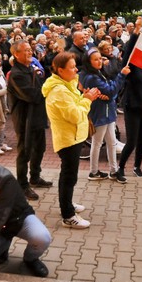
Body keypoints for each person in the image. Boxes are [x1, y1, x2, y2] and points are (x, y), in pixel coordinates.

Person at [42, 52, 100, 228]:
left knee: (69, 176)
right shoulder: (59, 91)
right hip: (68, 140)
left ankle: (67, 204)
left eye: (76, 66)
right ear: (60, 70)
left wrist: (84, 97)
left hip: (74, 137)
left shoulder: (67, 84)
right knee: (68, 176)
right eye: (72, 67)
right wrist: (87, 100)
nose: (76, 70)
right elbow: (74, 115)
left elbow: (75, 106)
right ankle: (68, 215)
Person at [8, 41, 52, 200]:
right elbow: (33, 95)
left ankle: (35, 177)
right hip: (24, 119)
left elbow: (40, 88)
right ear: (16, 54)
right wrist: (48, 88)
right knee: (24, 152)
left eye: (29, 50)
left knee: (39, 148)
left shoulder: (30, 69)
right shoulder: (16, 74)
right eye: (25, 50)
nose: (29, 52)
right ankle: (22, 184)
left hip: (38, 116)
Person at [80, 45, 130, 183]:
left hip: (107, 112)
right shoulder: (92, 77)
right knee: (97, 143)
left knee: (111, 143)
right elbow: (112, 90)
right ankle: (94, 171)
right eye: (95, 60)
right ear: (88, 62)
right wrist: (122, 75)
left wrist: (110, 95)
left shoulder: (98, 73)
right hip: (100, 113)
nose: (99, 62)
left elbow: (110, 92)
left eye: (100, 59)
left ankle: (113, 171)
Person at [117, 18, 142, 180]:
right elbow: (128, 52)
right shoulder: (130, 66)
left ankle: (137, 167)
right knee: (132, 141)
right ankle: (121, 168)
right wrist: (136, 31)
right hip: (132, 106)